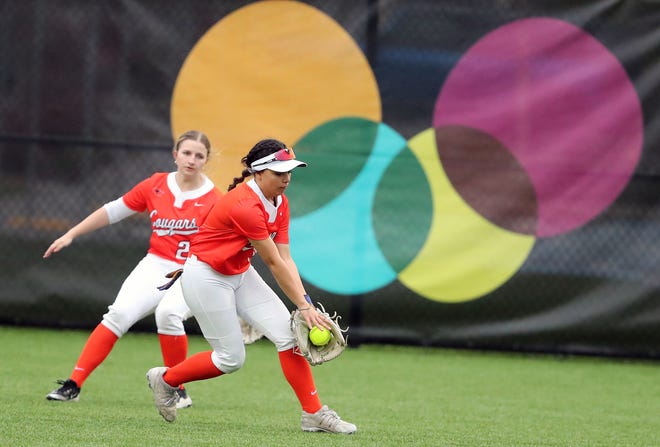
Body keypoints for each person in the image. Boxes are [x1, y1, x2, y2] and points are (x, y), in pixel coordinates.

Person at [145, 138, 357, 434]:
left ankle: (314, 414)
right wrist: (304, 306)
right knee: (231, 360)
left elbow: (286, 258)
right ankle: (165, 380)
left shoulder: (280, 202)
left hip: (239, 272)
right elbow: (273, 263)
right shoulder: (245, 205)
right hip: (206, 276)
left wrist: (305, 301)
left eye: (290, 171)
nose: (286, 179)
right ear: (258, 173)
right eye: (278, 172)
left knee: (290, 337)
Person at [44, 130, 222, 409]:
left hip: (193, 269)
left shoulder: (214, 198)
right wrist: (71, 234)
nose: (192, 159)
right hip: (157, 262)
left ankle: (177, 388)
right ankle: (74, 384)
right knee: (118, 314)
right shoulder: (156, 185)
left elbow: (224, 243)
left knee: (169, 314)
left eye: (199, 155)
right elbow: (114, 210)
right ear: (175, 155)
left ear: (206, 160)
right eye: (186, 153)